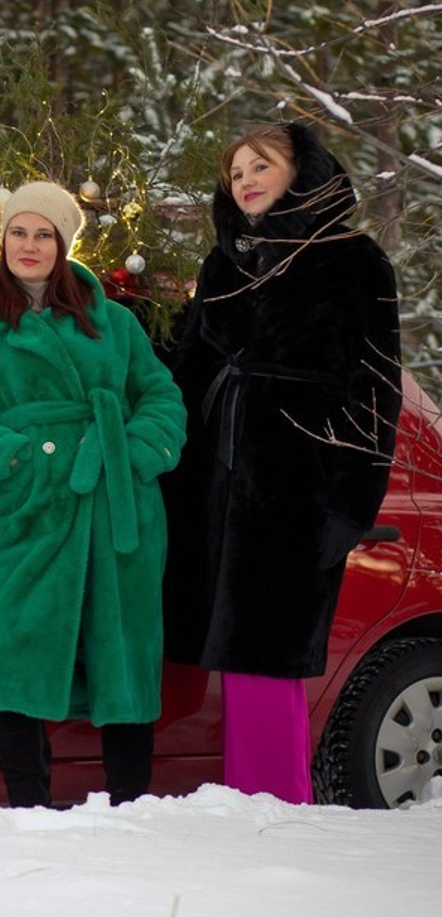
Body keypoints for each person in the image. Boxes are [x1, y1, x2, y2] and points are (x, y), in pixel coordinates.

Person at [163, 122, 402, 804]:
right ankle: (243, 811)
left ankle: (276, 811)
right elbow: (185, 369)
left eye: (259, 164)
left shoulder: (355, 259)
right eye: (235, 171)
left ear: (301, 170)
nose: (245, 180)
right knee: (236, 656)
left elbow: (376, 388)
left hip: (299, 484)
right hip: (215, 483)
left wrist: (351, 501)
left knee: (268, 656)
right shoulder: (225, 264)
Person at [0, 180, 187, 806]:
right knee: (15, 642)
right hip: (37, 499)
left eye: (43, 234)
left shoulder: (115, 321)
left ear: (63, 243)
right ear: (2, 240)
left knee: (123, 645)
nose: (28, 245)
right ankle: (28, 804)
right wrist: (11, 455)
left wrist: (133, 454)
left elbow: (160, 398)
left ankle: (131, 803)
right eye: (18, 232)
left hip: (117, 502)